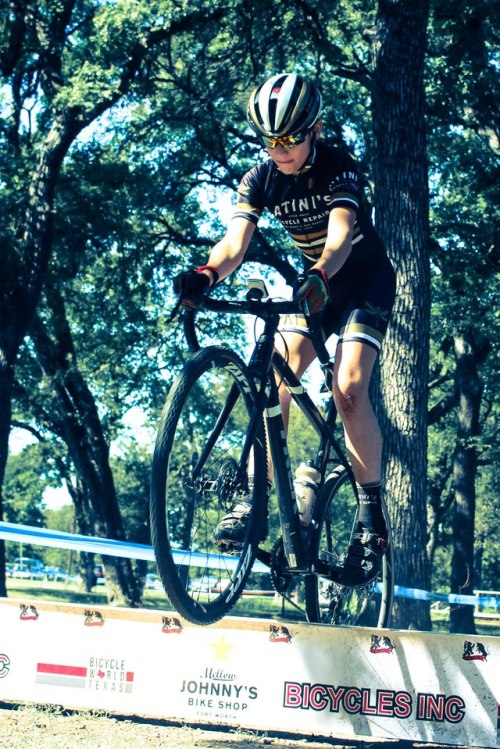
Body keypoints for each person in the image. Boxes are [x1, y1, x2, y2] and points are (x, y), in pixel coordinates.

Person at [173, 73, 396, 586]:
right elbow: (235, 245)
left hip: (361, 281)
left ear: (313, 129)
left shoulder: (340, 167)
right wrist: (205, 274)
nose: (280, 150)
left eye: (290, 139)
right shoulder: (259, 179)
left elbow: (339, 238)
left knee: (348, 391)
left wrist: (319, 273)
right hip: (314, 285)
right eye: (270, 141)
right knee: (277, 376)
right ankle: (256, 494)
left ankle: (370, 522)